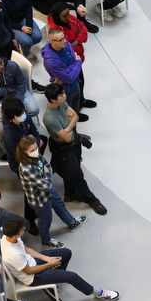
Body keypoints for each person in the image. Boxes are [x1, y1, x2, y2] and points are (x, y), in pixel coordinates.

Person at [0, 217, 119, 301]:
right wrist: (49, 264)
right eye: (22, 229)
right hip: (33, 277)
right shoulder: (13, 255)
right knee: (72, 277)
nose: (24, 228)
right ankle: (98, 293)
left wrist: (47, 258)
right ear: (16, 235)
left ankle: (52, 281)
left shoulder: (7, 237)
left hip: (32, 262)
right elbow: (29, 271)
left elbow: (26, 249)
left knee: (66, 253)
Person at [41, 84, 105, 214]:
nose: (65, 96)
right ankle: (91, 200)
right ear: (53, 99)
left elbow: (76, 116)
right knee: (76, 175)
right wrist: (70, 126)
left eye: (64, 93)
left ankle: (69, 194)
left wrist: (67, 128)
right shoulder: (50, 118)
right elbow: (68, 138)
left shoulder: (61, 103)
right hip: (62, 149)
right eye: (61, 95)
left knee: (69, 170)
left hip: (71, 144)